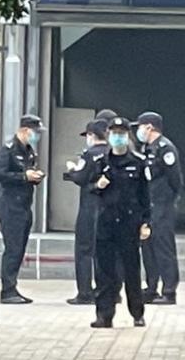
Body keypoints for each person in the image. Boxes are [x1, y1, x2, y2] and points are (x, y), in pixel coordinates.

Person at [90, 117, 151, 329]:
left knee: (131, 270)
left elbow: (145, 196)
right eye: (114, 133)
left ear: (127, 136)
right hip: (106, 224)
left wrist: (145, 222)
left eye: (122, 133)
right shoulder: (101, 162)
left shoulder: (137, 162)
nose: (118, 137)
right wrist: (98, 184)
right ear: (108, 135)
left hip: (129, 223)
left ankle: (137, 313)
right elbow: (90, 187)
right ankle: (104, 315)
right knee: (104, 272)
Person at [0, 114, 46, 304]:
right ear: (25, 131)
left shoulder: (29, 151)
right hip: (10, 205)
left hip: (25, 204)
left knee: (20, 249)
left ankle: (13, 287)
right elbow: (0, 174)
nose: (37, 136)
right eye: (35, 132)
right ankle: (7, 290)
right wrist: (24, 177)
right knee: (13, 248)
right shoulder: (8, 150)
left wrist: (35, 177)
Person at [136, 112, 183, 305]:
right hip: (149, 205)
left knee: (164, 246)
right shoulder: (147, 148)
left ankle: (169, 290)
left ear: (150, 127)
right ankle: (152, 287)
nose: (139, 131)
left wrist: (168, 200)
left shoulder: (165, 148)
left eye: (140, 127)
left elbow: (175, 179)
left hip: (162, 204)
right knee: (148, 247)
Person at [63, 118, 109, 305]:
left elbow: (81, 177)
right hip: (108, 208)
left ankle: (84, 292)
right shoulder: (113, 153)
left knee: (84, 250)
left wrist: (72, 170)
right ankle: (105, 289)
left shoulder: (89, 155)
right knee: (104, 251)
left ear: (91, 135)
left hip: (90, 207)